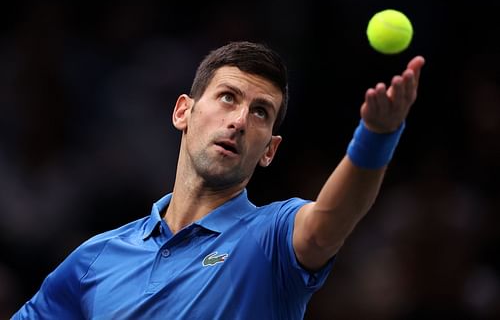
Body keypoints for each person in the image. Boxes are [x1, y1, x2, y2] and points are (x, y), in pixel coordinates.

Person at [12, 41, 425, 319]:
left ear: (270, 150)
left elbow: (327, 225)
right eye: (228, 97)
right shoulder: (94, 260)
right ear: (183, 113)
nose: (241, 120)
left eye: (261, 112)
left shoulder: (271, 238)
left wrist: (376, 138)